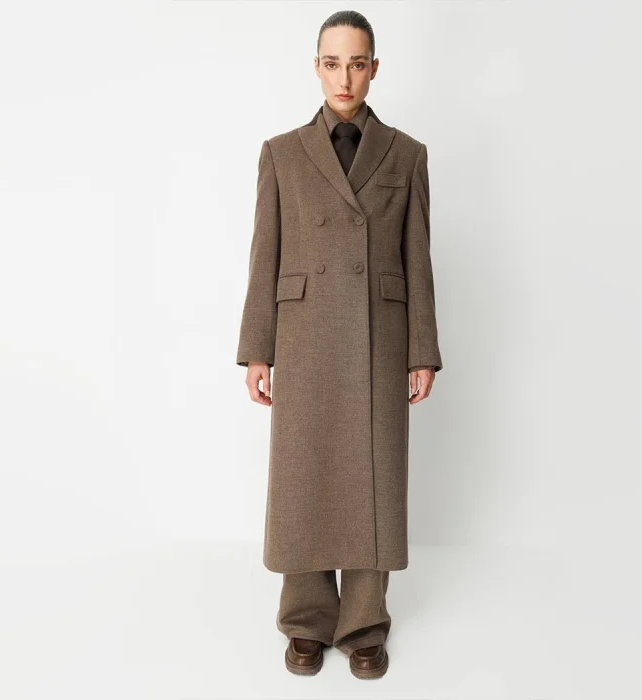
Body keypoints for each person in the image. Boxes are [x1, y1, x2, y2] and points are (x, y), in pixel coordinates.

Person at [236, 10, 443, 680]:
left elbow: (417, 260)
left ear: (374, 68)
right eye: (332, 63)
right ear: (316, 67)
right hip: (304, 334)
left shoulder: (407, 154)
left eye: (357, 63)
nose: (344, 77)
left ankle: (364, 624)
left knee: (372, 477)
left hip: (378, 337)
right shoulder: (281, 153)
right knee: (304, 476)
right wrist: (258, 349)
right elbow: (264, 257)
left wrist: (422, 350)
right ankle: (304, 619)